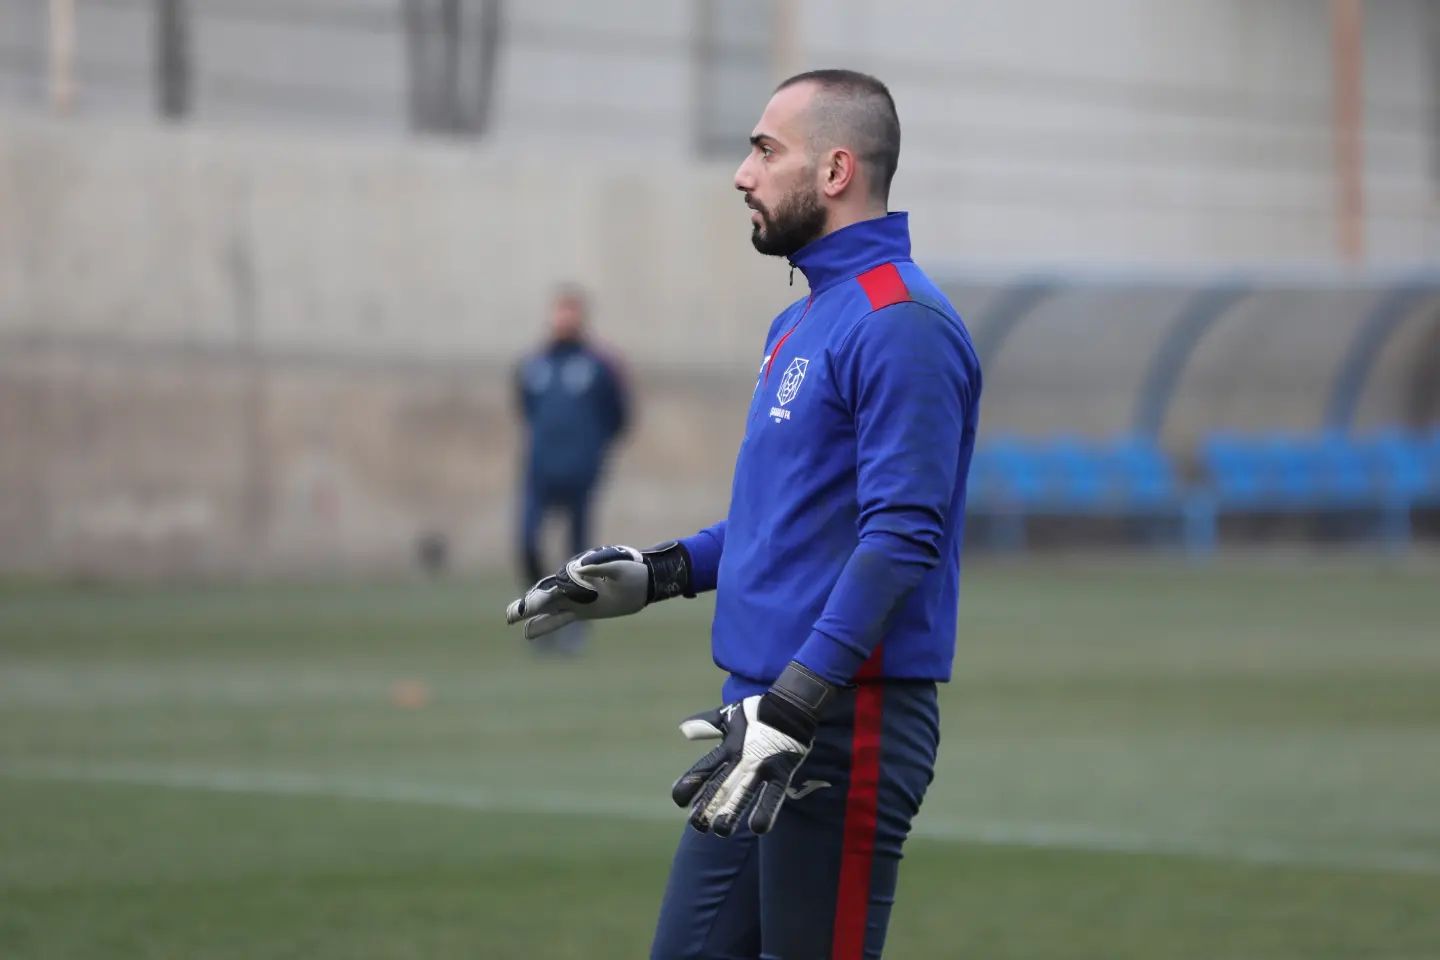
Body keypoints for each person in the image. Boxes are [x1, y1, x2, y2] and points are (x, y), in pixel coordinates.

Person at [506, 69, 981, 958]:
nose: (742, 173)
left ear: (835, 171)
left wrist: (798, 703)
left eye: (765, 150)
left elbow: (901, 537)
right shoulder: (800, 322)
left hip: (839, 723)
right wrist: (661, 573)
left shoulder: (900, 322)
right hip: (759, 719)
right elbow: (780, 525)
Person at [513, 286, 629, 654]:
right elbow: (526, 408)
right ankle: (544, 607)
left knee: (578, 555)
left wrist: (593, 451)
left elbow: (619, 415)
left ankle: (574, 622)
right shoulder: (534, 365)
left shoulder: (599, 365)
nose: (564, 319)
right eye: (559, 312)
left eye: (571, 312)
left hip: (581, 472)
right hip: (540, 471)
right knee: (527, 540)